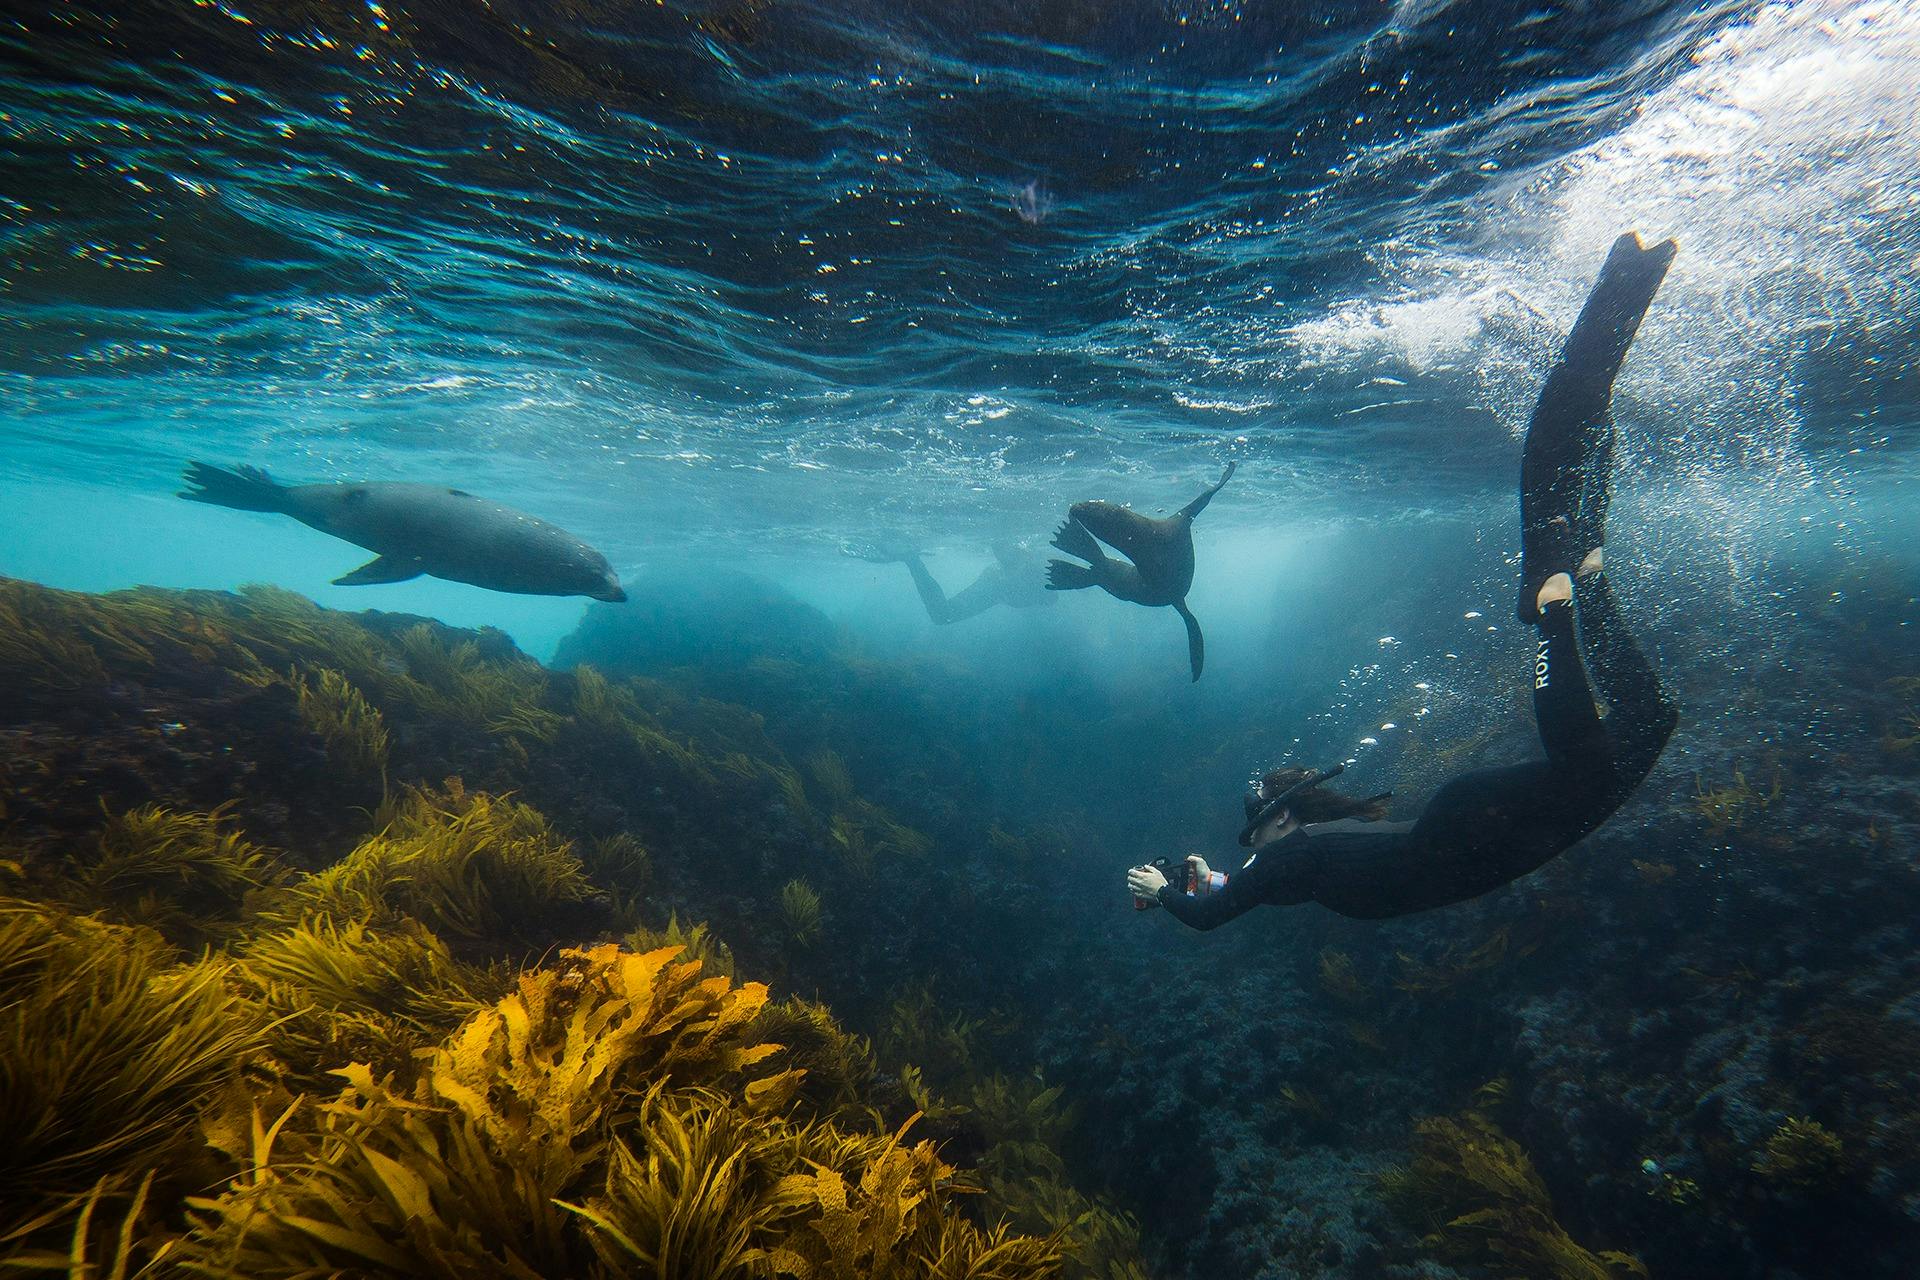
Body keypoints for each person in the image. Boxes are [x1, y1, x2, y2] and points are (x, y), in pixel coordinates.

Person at [1127, 232, 1680, 924]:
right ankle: (1587, 594)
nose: (1250, 841)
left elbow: (1222, 909)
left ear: (1280, 821)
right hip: (1473, 827)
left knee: (1591, 770)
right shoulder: (1298, 858)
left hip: (1477, 828)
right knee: (1653, 718)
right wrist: (1200, 883)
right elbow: (1244, 886)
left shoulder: (1292, 859)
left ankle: (1557, 610)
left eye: (1253, 828)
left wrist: (1162, 895)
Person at [861, 542, 1054, 625]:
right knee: (941, 616)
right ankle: (911, 558)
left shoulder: (1039, 574)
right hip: (997, 587)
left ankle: (911, 559)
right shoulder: (1035, 569)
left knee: (941, 616)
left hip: (999, 589)